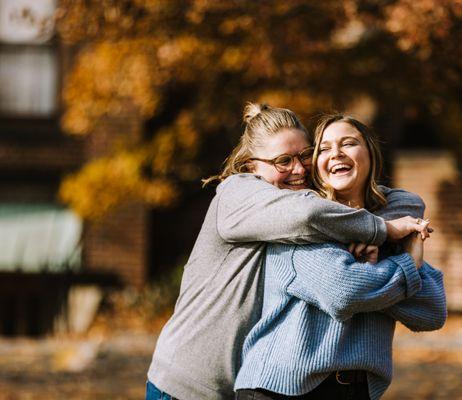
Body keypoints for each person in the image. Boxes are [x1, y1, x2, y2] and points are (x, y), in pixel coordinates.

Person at [146, 104, 431, 400]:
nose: (298, 169)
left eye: (306, 155)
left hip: (237, 387)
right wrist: (383, 230)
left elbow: (407, 204)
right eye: (283, 161)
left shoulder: (316, 211)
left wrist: (385, 227)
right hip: (187, 385)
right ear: (251, 167)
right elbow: (306, 218)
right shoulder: (237, 194)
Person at [234, 114, 446, 400]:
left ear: (370, 153)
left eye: (349, 143)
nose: (336, 153)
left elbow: (432, 311)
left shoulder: (386, 232)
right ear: (316, 166)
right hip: (281, 388)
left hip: (355, 390)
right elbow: (345, 292)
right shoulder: (301, 222)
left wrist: (379, 262)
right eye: (323, 148)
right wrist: (410, 263)